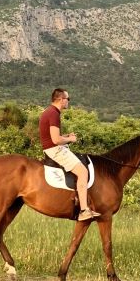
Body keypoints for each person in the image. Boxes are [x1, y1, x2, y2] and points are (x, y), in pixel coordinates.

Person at [39, 88, 100, 222]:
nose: (68, 101)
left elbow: (52, 136)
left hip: (51, 147)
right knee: (83, 172)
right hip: (54, 150)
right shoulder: (54, 114)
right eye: (68, 99)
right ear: (61, 99)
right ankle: (84, 210)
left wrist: (66, 136)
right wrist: (71, 139)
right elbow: (56, 140)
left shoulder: (50, 111)